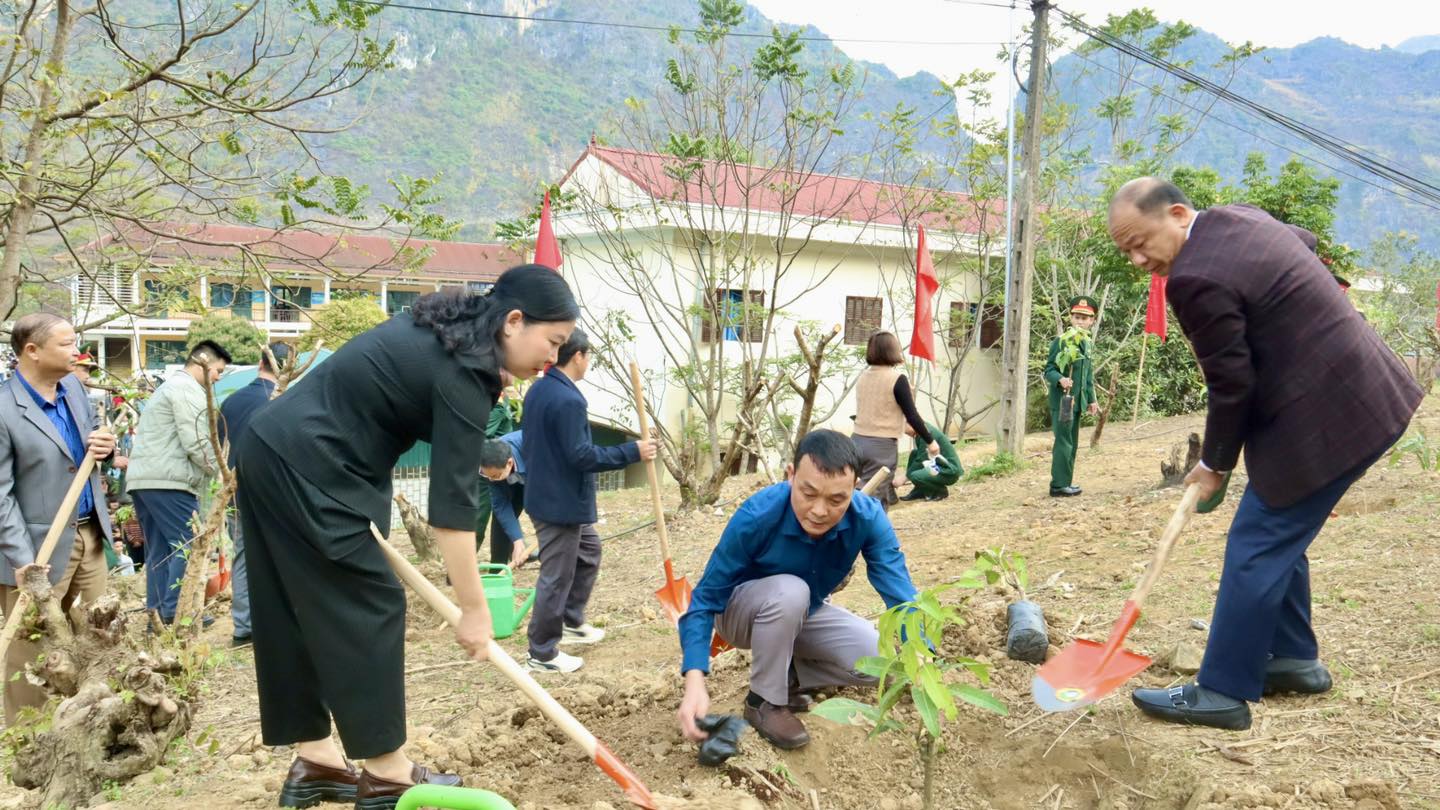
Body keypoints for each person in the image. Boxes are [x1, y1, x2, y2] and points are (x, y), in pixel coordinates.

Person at [234, 265, 577, 809]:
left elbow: (408, 403)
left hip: (270, 446)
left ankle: (318, 760)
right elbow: (452, 505)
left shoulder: (445, 338)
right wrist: (472, 609)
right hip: (314, 463)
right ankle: (389, 774)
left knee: (289, 608)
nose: (553, 359)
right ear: (514, 321)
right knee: (369, 602)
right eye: (552, 341)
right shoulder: (465, 372)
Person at [1107, 178, 1424, 731]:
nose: (1137, 260)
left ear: (1178, 214)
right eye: (1125, 250)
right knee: (1277, 523)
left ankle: (1222, 691)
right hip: (1363, 391)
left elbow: (1231, 385)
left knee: (1256, 542)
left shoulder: (1194, 278)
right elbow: (1299, 240)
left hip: (1332, 415)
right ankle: (1294, 659)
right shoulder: (1241, 218)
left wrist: (1214, 465)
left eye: (1139, 242)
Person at [675, 430, 918, 750]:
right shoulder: (758, 515)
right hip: (740, 614)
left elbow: (900, 592)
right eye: (808, 493)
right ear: (791, 476)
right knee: (791, 591)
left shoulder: (868, 518)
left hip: (806, 611)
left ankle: (791, 674)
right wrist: (695, 679)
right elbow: (705, 599)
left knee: (883, 663)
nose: (819, 510)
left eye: (836, 499)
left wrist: (922, 654)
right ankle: (764, 702)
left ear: (854, 489)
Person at [521, 328, 658, 674]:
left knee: (589, 552)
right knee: (557, 575)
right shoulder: (568, 399)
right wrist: (633, 451)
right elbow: (581, 456)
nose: (589, 363)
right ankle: (542, 651)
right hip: (559, 502)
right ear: (578, 356)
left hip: (551, 494)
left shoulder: (539, 389)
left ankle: (570, 618)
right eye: (588, 357)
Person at [0, 314, 115, 725]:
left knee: (95, 630)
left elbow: (85, 450)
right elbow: (1, 494)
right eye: (67, 344)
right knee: (33, 642)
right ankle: (29, 732)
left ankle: (90, 720)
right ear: (31, 350)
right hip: (37, 549)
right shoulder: (4, 408)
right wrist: (21, 558)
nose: (77, 351)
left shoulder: (73, 389)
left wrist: (104, 446)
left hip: (89, 533)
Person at [127, 340, 230, 628]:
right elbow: (197, 439)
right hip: (169, 481)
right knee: (190, 544)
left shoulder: (168, 387)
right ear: (203, 362)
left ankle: (157, 616)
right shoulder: (187, 389)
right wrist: (220, 471)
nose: (219, 377)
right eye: (218, 370)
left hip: (145, 480)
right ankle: (176, 611)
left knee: (160, 551)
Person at [218, 342, 292, 648]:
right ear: (285, 367)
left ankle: (244, 626)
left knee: (243, 556)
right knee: (280, 555)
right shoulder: (280, 401)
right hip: (268, 490)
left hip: (233, 488)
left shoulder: (231, 401)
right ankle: (275, 622)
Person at [851, 332, 939, 508]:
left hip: (856, 441)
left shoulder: (863, 377)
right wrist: (930, 441)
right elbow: (912, 415)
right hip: (881, 447)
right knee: (874, 499)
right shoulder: (897, 379)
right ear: (892, 350)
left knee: (857, 493)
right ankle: (870, 534)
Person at [1043, 296, 1101, 497]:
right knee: (1064, 442)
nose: (1080, 321)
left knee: (1072, 443)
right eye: (1077, 317)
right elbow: (1049, 369)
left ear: (1092, 321)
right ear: (1070, 318)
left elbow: (1087, 376)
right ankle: (1058, 485)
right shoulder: (1062, 341)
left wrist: (1092, 399)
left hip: (1077, 402)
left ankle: (1065, 481)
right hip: (1064, 402)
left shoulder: (1086, 343)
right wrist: (1060, 379)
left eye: (1085, 318)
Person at [475, 371, 520, 564]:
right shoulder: (495, 404)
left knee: (508, 512)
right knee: (480, 516)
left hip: (505, 463)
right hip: (488, 464)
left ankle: (512, 554)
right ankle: (462, 565)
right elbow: (480, 434)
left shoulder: (504, 400)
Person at [479, 431, 529, 569]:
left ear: (509, 463)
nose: (491, 480)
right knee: (501, 518)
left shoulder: (534, 446)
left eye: (494, 475)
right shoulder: (492, 465)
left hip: (538, 471)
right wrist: (518, 541)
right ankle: (498, 569)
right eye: (487, 475)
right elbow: (501, 506)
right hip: (514, 476)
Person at [899, 420, 961, 502]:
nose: (905, 433)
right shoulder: (920, 431)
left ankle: (940, 491)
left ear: (911, 423)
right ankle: (920, 489)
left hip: (948, 470)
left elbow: (922, 459)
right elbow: (920, 456)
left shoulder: (926, 433)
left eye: (905, 430)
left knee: (915, 475)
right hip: (938, 465)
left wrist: (904, 478)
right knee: (914, 453)